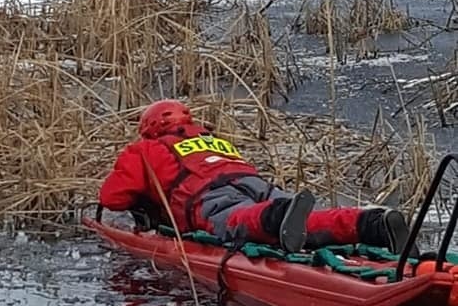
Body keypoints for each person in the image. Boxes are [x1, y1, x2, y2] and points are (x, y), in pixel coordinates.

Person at [98, 100, 415, 255]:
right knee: (310, 220)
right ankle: (368, 223)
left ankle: (275, 219)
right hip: (253, 183)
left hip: (209, 196)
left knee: (233, 220)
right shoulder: (211, 137)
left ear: (150, 127)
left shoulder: (145, 149)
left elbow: (112, 197)